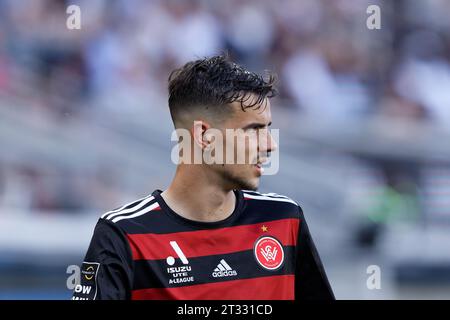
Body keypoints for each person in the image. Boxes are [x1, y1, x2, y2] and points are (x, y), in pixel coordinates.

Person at [72, 55, 334, 300]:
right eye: (253, 130)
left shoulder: (284, 218)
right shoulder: (123, 234)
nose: (269, 144)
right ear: (205, 136)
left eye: (267, 129)